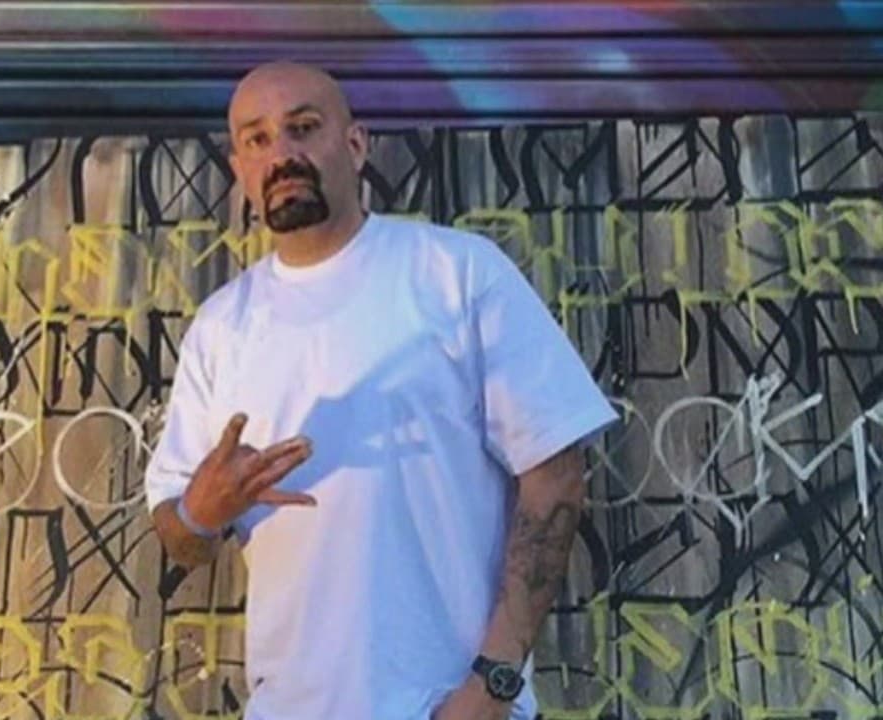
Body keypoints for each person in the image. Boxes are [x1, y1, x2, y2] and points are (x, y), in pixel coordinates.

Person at [143, 61, 618, 720]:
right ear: (239, 169)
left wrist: (494, 685)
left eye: (303, 128)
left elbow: (555, 477)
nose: (281, 154)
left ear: (356, 144)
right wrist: (204, 508)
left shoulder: (457, 273)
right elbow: (178, 537)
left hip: (449, 708)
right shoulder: (221, 327)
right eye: (257, 139)